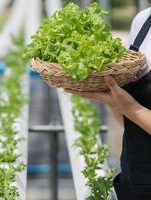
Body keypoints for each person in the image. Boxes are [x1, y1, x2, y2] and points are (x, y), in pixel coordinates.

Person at [65, 2, 151, 200]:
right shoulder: (143, 21)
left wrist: (132, 108)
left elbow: (133, 110)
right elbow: (130, 124)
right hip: (135, 181)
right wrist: (110, 96)